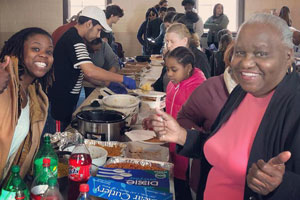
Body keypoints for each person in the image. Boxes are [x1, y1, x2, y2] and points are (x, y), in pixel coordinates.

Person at [150, 13, 300, 200]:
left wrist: (281, 185)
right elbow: (218, 147)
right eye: (240, 52)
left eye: (261, 53)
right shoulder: (242, 92)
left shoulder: (294, 105)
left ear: (288, 55)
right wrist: (182, 135)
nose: (245, 62)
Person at [48, 6, 136, 131]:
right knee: (58, 135)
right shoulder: (74, 39)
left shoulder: (76, 38)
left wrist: (107, 83)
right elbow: (90, 70)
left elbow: (84, 73)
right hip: (61, 99)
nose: (98, 35)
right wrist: (122, 79)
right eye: (98, 30)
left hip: (68, 98)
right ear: (89, 24)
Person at [144, 46, 206, 200]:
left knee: (182, 187)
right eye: (167, 69)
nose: (169, 74)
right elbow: (170, 111)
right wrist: (154, 120)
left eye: (174, 69)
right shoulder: (173, 84)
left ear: (189, 68)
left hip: (187, 151)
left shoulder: (199, 90)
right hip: (171, 143)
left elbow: (199, 128)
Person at [177, 42, 236, 199]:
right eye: (241, 54)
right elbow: (184, 117)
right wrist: (203, 137)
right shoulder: (211, 88)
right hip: (207, 177)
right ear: (231, 58)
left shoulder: (271, 97)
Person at [0, 27, 54, 184]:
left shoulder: (35, 95)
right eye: (35, 49)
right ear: (19, 52)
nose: (44, 55)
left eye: (49, 52)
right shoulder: (4, 84)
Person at [152, 23, 210, 92]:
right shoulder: (170, 55)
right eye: (167, 42)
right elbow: (162, 80)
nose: (169, 45)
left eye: (172, 42)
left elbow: (204, 88)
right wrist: (152, 88)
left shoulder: (199, 58)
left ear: (184, 41)